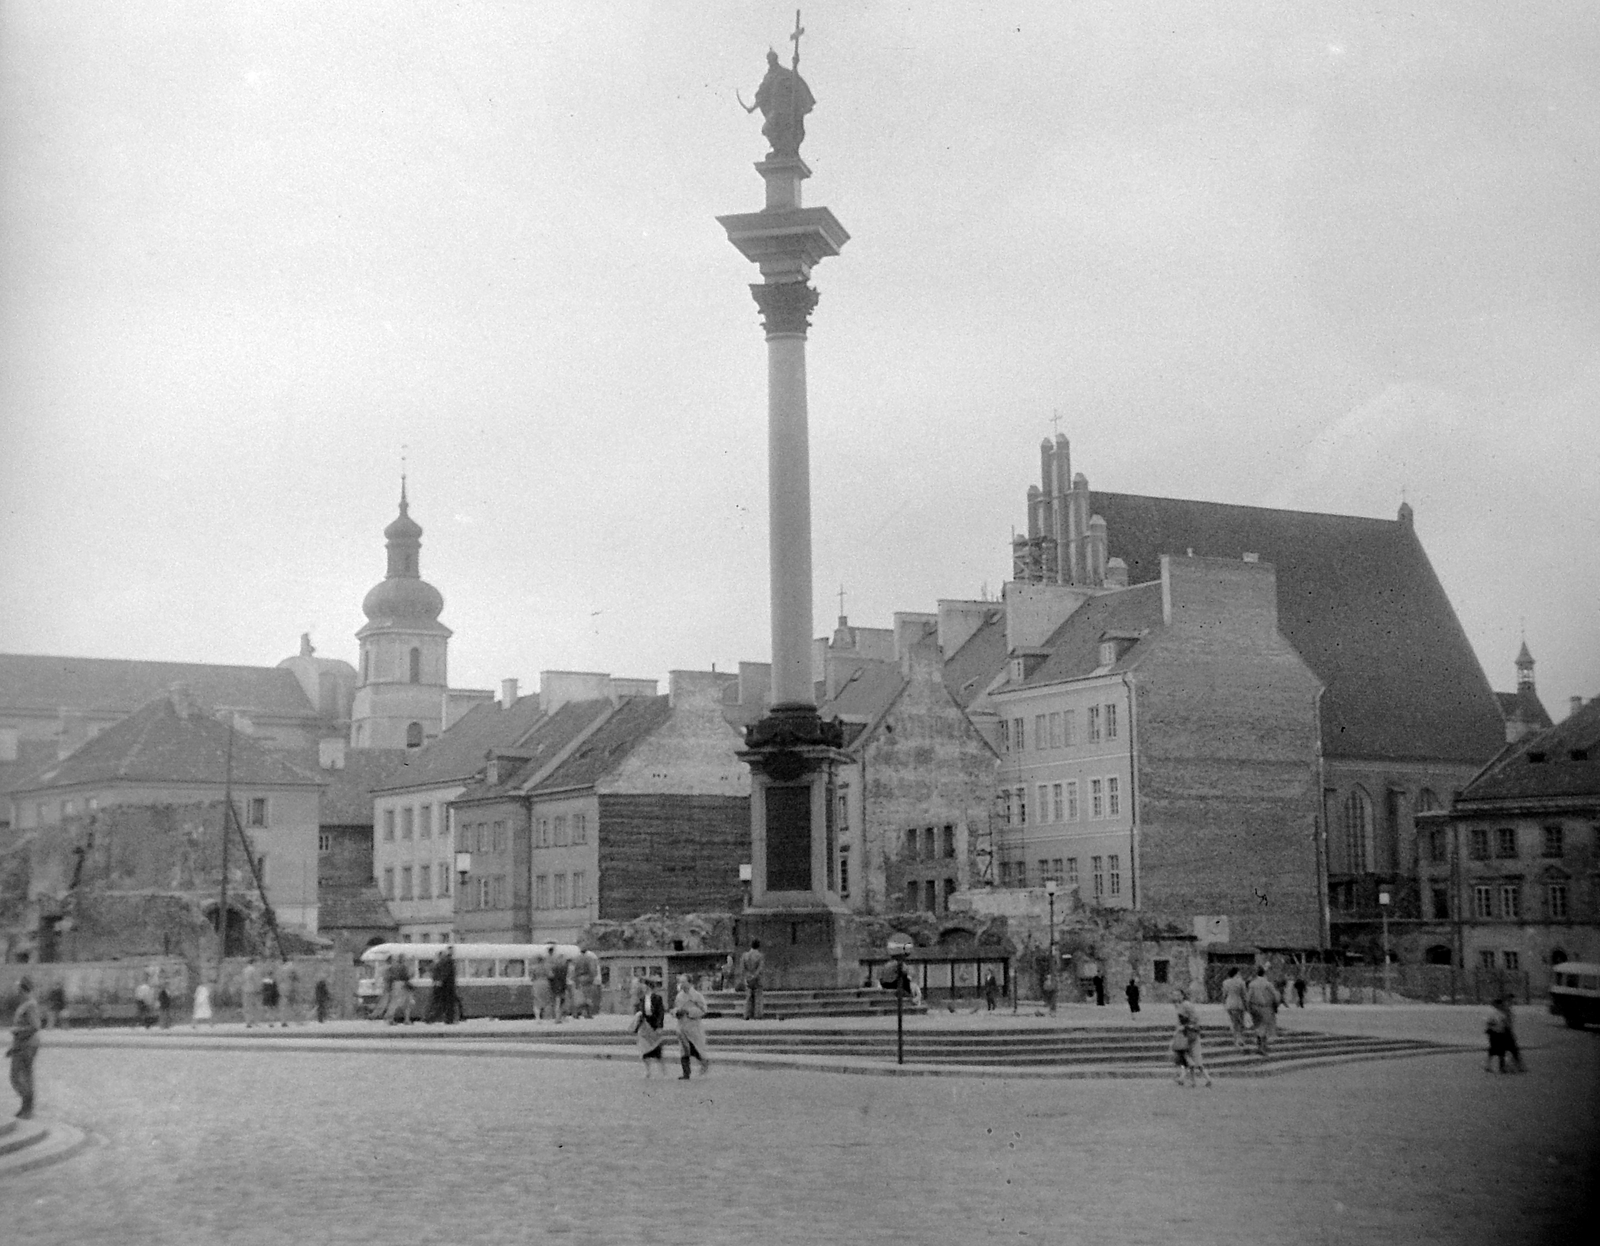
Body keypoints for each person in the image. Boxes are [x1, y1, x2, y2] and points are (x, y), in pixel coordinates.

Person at [744, 49, 815, 158]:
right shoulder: (769, 76)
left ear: (775, 59)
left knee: (785, 130)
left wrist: (795, 65)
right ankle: (778, 150)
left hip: (785, 110)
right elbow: (762, 94)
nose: (770, 62)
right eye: (768, 60)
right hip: (775, 110)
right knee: (767, 129)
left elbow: (796, 84)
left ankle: (786, 151)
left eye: (771, 59)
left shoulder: (784, 73)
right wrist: (753, 107)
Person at [7, 977, 43, 1119]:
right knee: (22, 1076)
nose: (17, 992)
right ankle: (26, 1107)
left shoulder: (30, 1005)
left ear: (22, 989)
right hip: (21, 1044)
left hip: (27, 1045)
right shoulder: (25, 1004)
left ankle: (27, 1107)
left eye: (18, 989)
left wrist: (18, 1031)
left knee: (18, 1076)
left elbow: (35, 1026)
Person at [1169, 988, 1212, 1088]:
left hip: (1187, 1033)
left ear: (1182, 995)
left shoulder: (1184, 1006)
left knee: (1187, 1056)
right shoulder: (1185, 1005)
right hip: (1192, 1032)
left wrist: (1183, 1028)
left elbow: (1185, 1020)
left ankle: (1185, 1078)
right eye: (1174, 995)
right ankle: (1198, 1080)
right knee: (1195, 1057)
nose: (1175, 997)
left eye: (1177, 995)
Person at [674, 973, 712, 1080]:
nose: (681, 984)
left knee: (693, 1047)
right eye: (680, 982)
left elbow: (703, 1010)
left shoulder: (696, 996)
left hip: (693, 1026)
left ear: (689, 983)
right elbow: (676, 1008)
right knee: (683, 1049)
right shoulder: (679, 996)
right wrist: (676, 1012)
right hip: (682, 1026)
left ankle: (704, 1061)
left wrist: (689, 1011)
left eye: (683, 982)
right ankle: (686, 1073)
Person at [633, 976, 669, 1077]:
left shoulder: (657, 998)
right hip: (645, 1026)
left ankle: (663, 1070)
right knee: (644, 1050)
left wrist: (659, 1026)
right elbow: (639, 1012)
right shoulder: (642, 999)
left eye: (644, 986)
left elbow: (660, 1013)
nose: (643, 988)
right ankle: (648, 1070)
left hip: (654, 1025)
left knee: (657, 1050)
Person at [1245, 966, 1281, 1056]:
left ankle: (1259, 1046)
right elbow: (1275, 996)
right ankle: (1262, 1047)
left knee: (1258, 1026)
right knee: (1265, 1027)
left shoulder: (1252, 984)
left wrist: (1248, 1008)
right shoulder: (1268, 984)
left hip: (1254, 1007)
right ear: (1264, 973)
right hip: (1266, 1007)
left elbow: (1248, 998)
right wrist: (1276, 1006)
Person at [429, 946, 459, 1024]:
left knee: (442, 1002)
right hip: (448, 985)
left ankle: (434, 1017)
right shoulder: (448, 961)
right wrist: (442, 981)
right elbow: (446, 973)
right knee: (448, 1002)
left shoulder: (444, 961)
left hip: (446, 984)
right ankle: (448, 1019)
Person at [1221, 967, 1249, 1048]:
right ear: (1236, 973)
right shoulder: (1241, 982)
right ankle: (1240, 1039)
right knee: (1240, 1023)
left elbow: (1224, 995)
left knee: (1234, 1023)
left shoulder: (1225, 982)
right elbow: (1244, 995)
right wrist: (1247, 1006)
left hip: (1229, 1004)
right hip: (1239, 1004)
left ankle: (1236, 1040)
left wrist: (1224, 1003)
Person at [740, 940, 765, 1021]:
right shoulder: (760, 956)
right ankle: (757, 1014)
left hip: (747, 978)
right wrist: (754, 976)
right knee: (758, 997)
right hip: (757, 979)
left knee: (748, 997)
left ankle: (747, 1014)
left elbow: (743, 968)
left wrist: (747, 976)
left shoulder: (745, 955)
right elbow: (760, 968)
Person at [548, 949, 569, 1025]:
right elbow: (564, 978)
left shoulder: (554, 968)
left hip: (555, 987)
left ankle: (558, 1018)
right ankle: (559, 1018)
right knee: (561, 1003)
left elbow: (550, 978)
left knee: (557, 1003)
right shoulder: (564, 968)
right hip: (561, 987)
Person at [239, 958, 261, 1027]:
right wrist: (259, 988)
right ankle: (255, 1021)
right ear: (253, 962)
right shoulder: (254, 970)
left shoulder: (244, 970)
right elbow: (256, 980)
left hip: (245, 989)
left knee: (247, 1006)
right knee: (254, 1006)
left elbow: (242, 980)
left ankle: (248, 1022)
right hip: (253, 989)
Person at [277, 958, 298, 1027]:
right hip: (290, 986)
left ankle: (283, 1021)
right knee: (293, 1002)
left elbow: (278, 978)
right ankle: (297, 1019)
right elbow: (295, 976)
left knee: (283, 1004)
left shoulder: (280, 968)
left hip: (282, 987)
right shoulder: (291, 967)